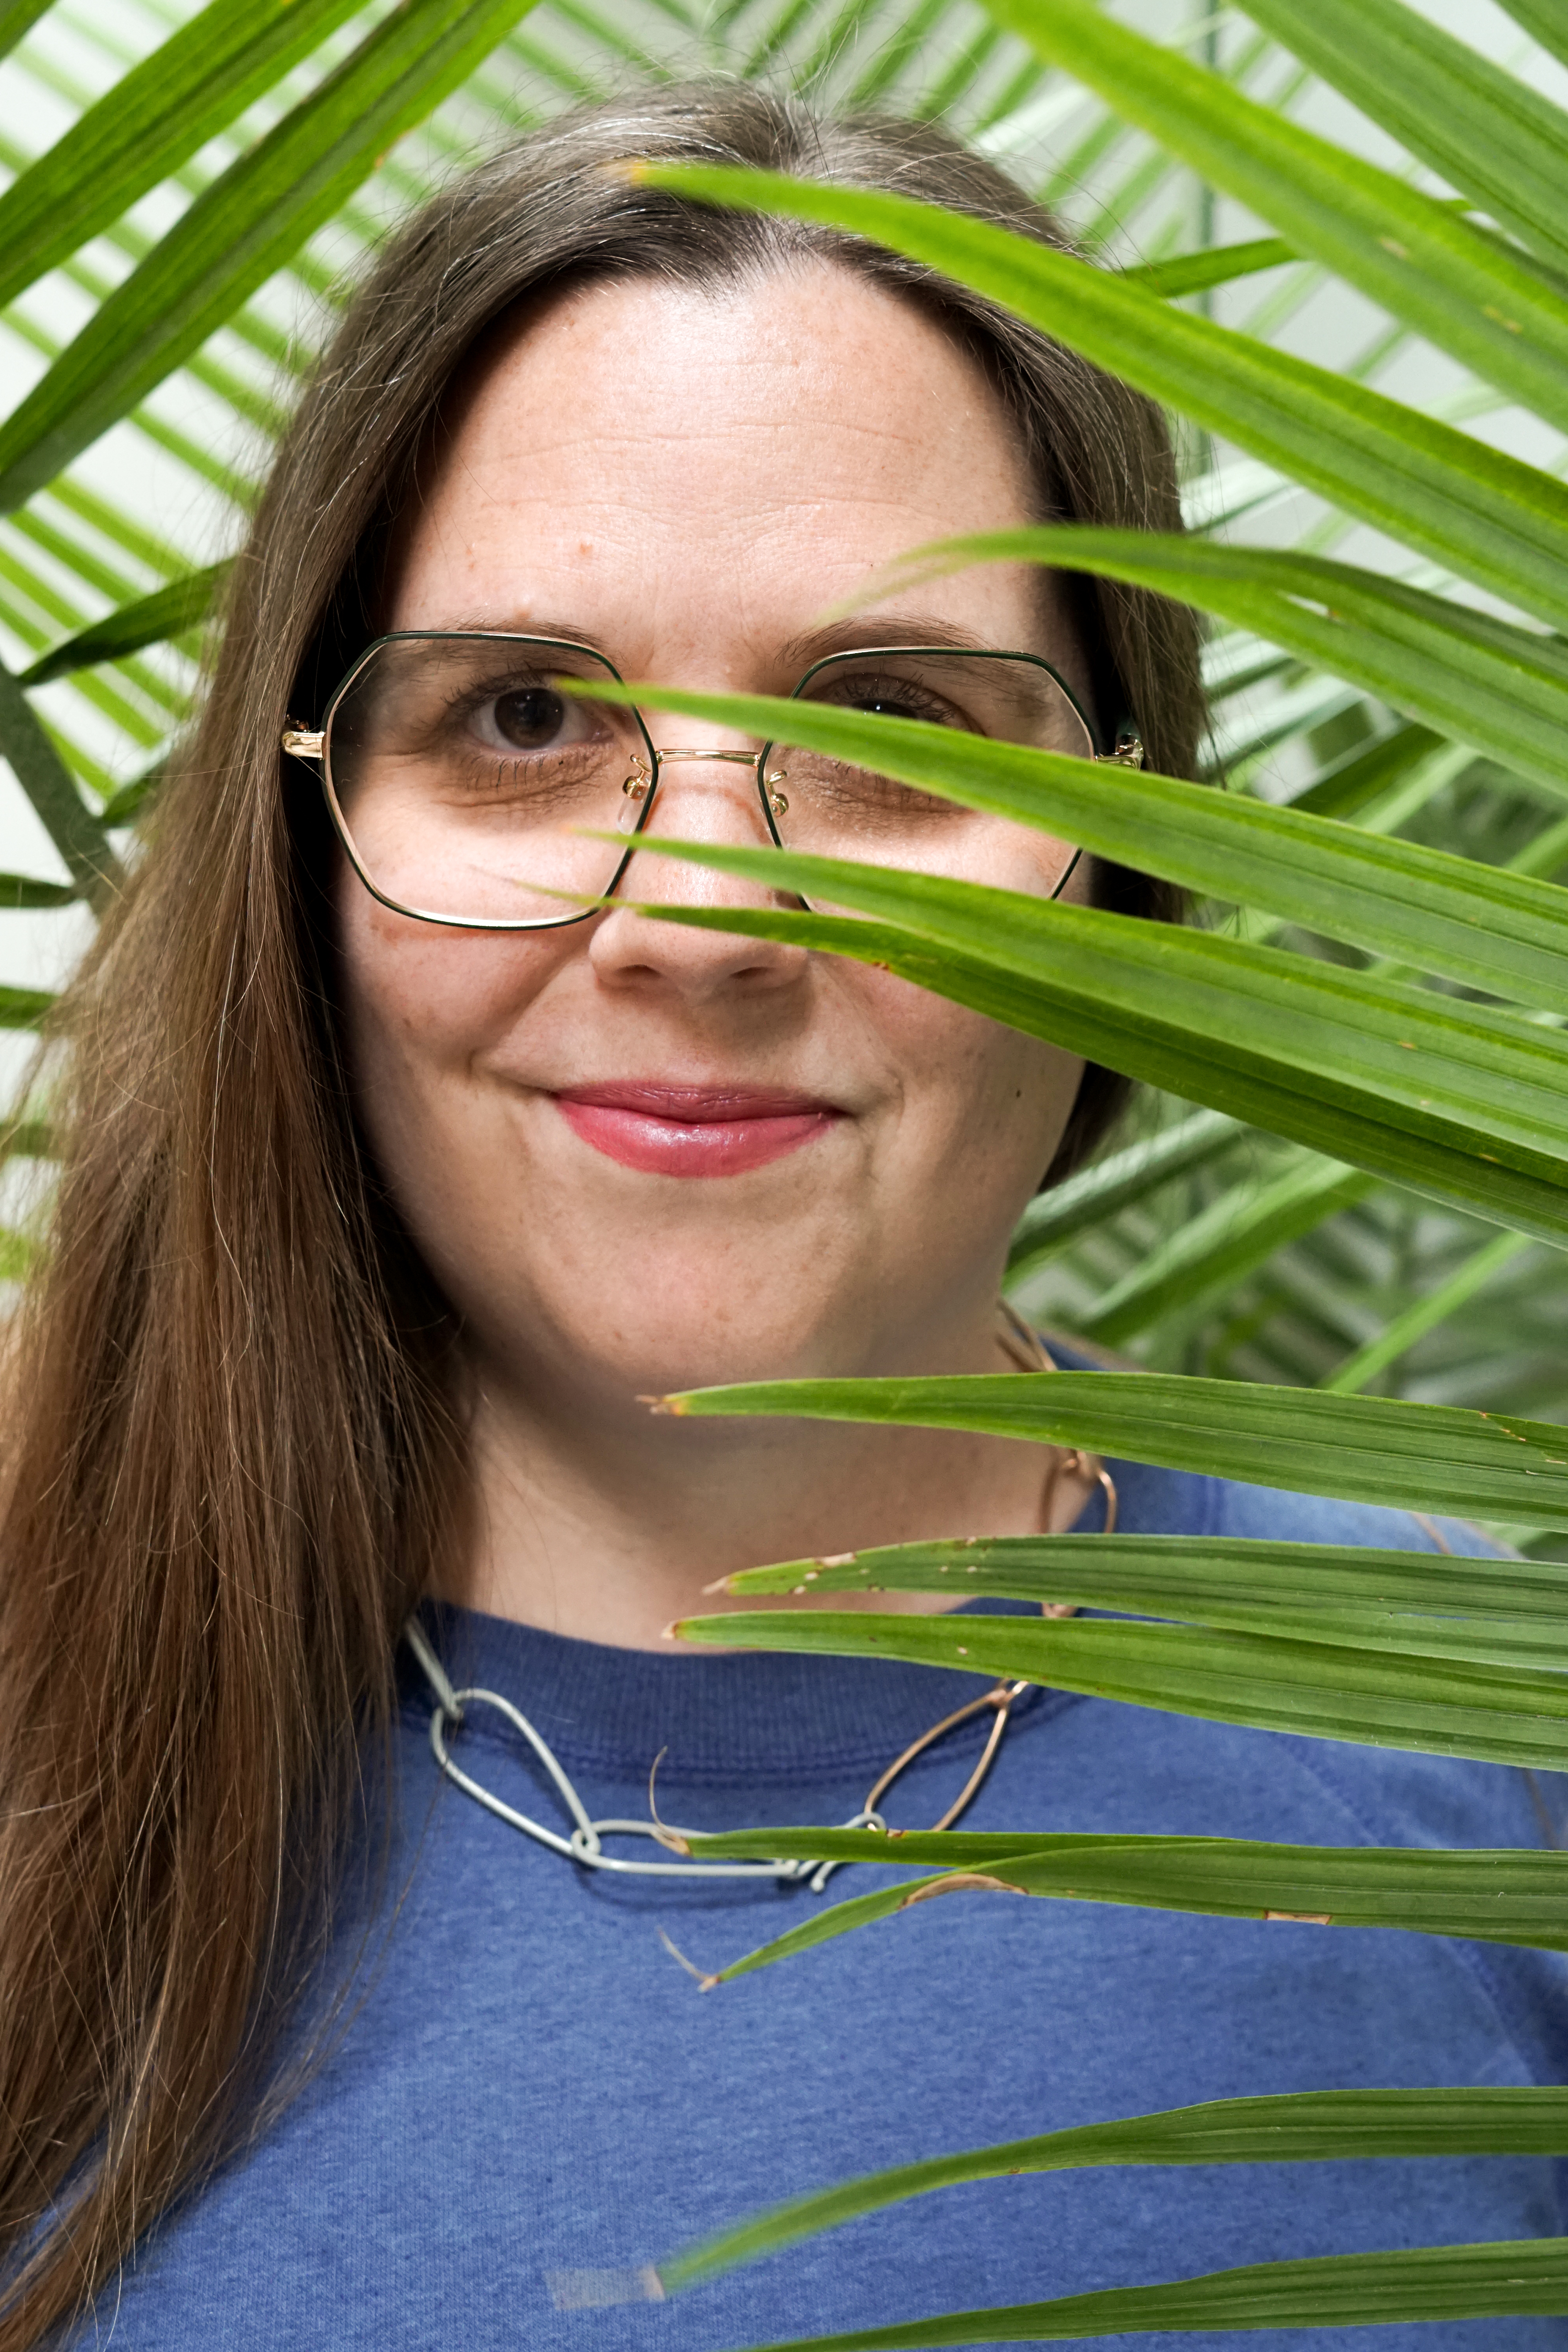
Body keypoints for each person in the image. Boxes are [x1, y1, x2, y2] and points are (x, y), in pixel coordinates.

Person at [0, 80, 1561, 2352]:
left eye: (903, 727)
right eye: (525, 713)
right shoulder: (43, 1687)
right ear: (305, 838)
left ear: (1128, 845)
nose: (705, 920)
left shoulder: (1494, 1751)